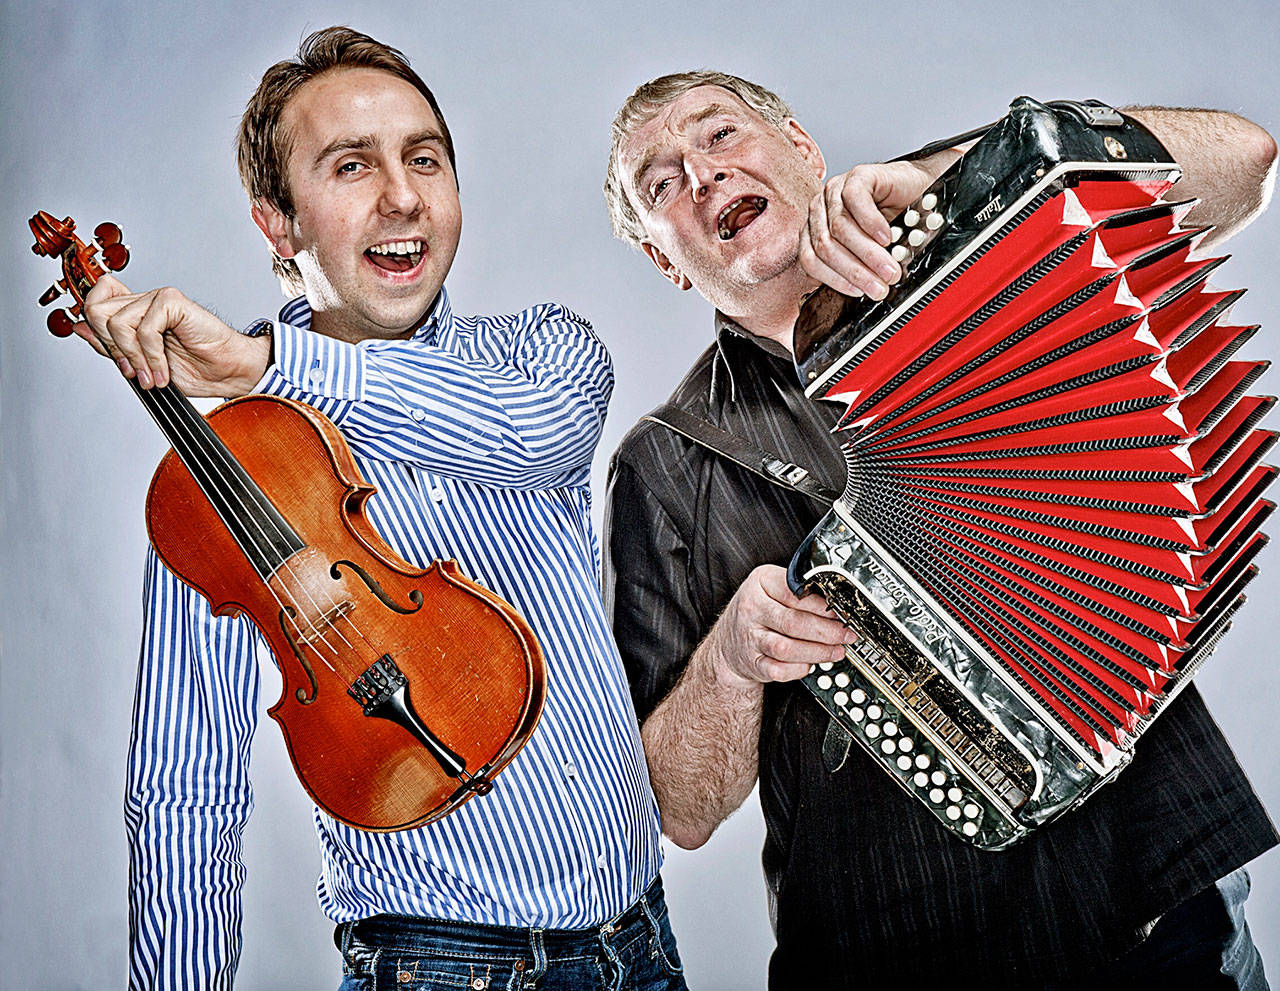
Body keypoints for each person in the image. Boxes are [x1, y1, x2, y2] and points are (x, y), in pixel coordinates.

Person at [601, 70, 1279, 989]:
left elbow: (1245, 161)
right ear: (667, 261)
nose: (702, 173)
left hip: (1159, 904)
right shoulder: (668, 462)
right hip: (894, 945)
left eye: (720, 135)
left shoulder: (982, 224)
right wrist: (730, 660)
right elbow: (676, 808)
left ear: (801, 148)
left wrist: (948, 172)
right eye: (662, 182)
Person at [74, 28, 685, 991]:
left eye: (424, 158)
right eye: (352, 165)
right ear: (278, 224)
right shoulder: (224, 480)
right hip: (433, 965)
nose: (402, 196)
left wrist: (272, 364)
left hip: (640, 946)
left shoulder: (541, 351)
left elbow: (536, 436)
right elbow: (186, 789)